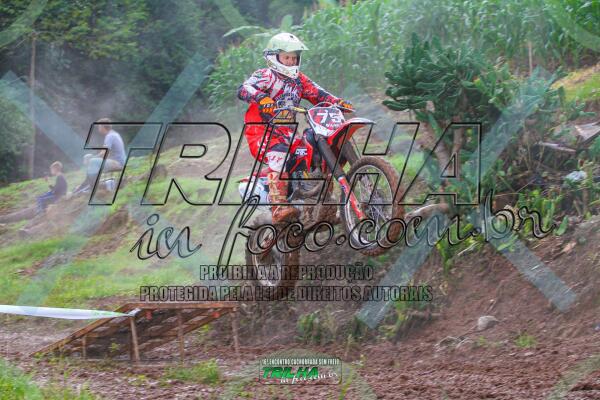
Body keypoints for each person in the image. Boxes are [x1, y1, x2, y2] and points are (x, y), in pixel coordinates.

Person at [237, 32, 354, 223]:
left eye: (294, 58)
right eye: (286, 57)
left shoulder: (299, 80)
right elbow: (244, 88)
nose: (291, 62)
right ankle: (278, 206)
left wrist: (337, 102)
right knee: (280, 151)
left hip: (288, 133)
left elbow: (319, 94)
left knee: (312, 153)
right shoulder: (265, 75)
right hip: (261, 131)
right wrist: (261, 97)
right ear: (274, 57)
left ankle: (321, 204)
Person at [74, 118, 126, 194]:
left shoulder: (110, 136)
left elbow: (104, 153)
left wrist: (92, 158)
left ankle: (90, 188)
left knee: (93, 162)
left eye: (99, 126)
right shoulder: (114, 134)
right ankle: (87, 186)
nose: (98, 128)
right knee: (94, 164)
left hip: (117, 163)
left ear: (102, 127)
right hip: (119, 161)